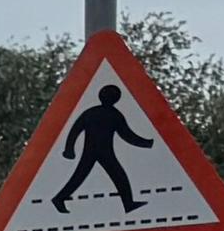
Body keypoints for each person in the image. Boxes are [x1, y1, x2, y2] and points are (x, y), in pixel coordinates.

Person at [49, 79, 155, 213]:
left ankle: (128, 204)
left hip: (98, 151)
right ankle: (59, 198)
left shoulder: (93, 112)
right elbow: (127, 135)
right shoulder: (114, 114)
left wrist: (69, 149)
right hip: (100, 151)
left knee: (107, 175)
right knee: (111, 175)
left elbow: (75, 130)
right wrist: (147, 143)